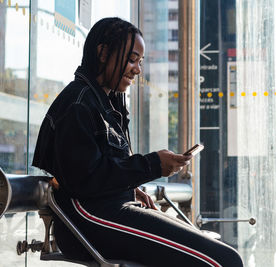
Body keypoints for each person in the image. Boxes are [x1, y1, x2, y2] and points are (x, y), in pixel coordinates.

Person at [32, 17, 243, 267]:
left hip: (108, 211)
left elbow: (100, 167)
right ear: (103, 53)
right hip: (90, 219)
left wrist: (131, 188)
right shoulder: (79, 103)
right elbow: (84, 181)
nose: (137, 69)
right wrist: (153, 165)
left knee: (225, 255)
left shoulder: (107, 101)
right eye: (132, 59)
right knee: (224, 261)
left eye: (140, 62)